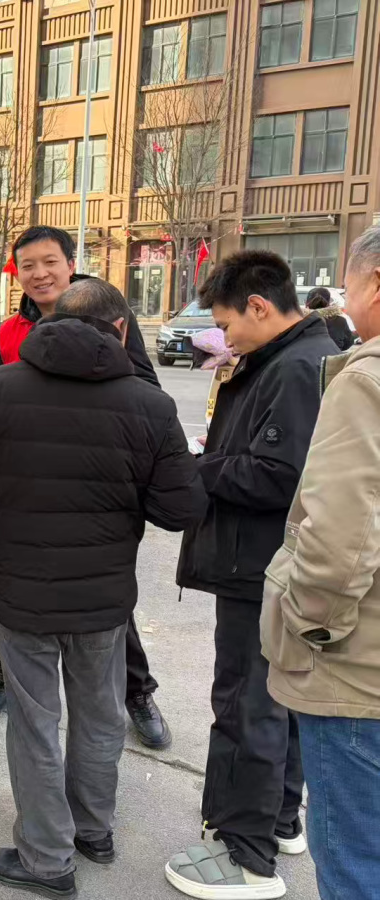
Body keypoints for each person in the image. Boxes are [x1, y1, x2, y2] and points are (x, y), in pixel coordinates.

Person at [0, 280, 206, 899]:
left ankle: (46, 858)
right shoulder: (149, 403)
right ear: (121, 330)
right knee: (100, 714)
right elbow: (180, 509)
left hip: (20, 590)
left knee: (34, 722)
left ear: (53, 320)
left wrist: (0, 542)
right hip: (103, 595)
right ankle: (92, 830)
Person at [164, 250, 338, 900]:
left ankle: (246, 856)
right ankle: (278, 818)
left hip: (257, 565)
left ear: (259, 307)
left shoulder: (293, 369)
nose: (224, 337)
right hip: (266, 563)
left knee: (246, 705)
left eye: (226, 324)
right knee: (273, 703)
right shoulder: (289, 358)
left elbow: (279, 476)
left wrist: (197, 467)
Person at [0, 226, 171, 754]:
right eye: (28, 265)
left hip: (97, 489)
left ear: (69, 262)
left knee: (107, 611)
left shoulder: (110, 315)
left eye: (50, 262)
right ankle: (5, 677)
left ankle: (138, 692)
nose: (40, 274)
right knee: (18, 603)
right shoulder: (7, 332)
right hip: (29, 489)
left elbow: (146, 389)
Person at [260, 224, 380, 900]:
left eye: (349, 284)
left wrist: (310, 625)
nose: (344, 299)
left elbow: (339, 539)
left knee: (358, 863)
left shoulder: (366, 379)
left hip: (360, 674)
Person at [304, 286, 354, 351]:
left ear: (306, 303)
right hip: (334, 356)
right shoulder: (340, 321)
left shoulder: (301, 321)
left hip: (307, 356)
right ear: (329, 302)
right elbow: (348, 342)